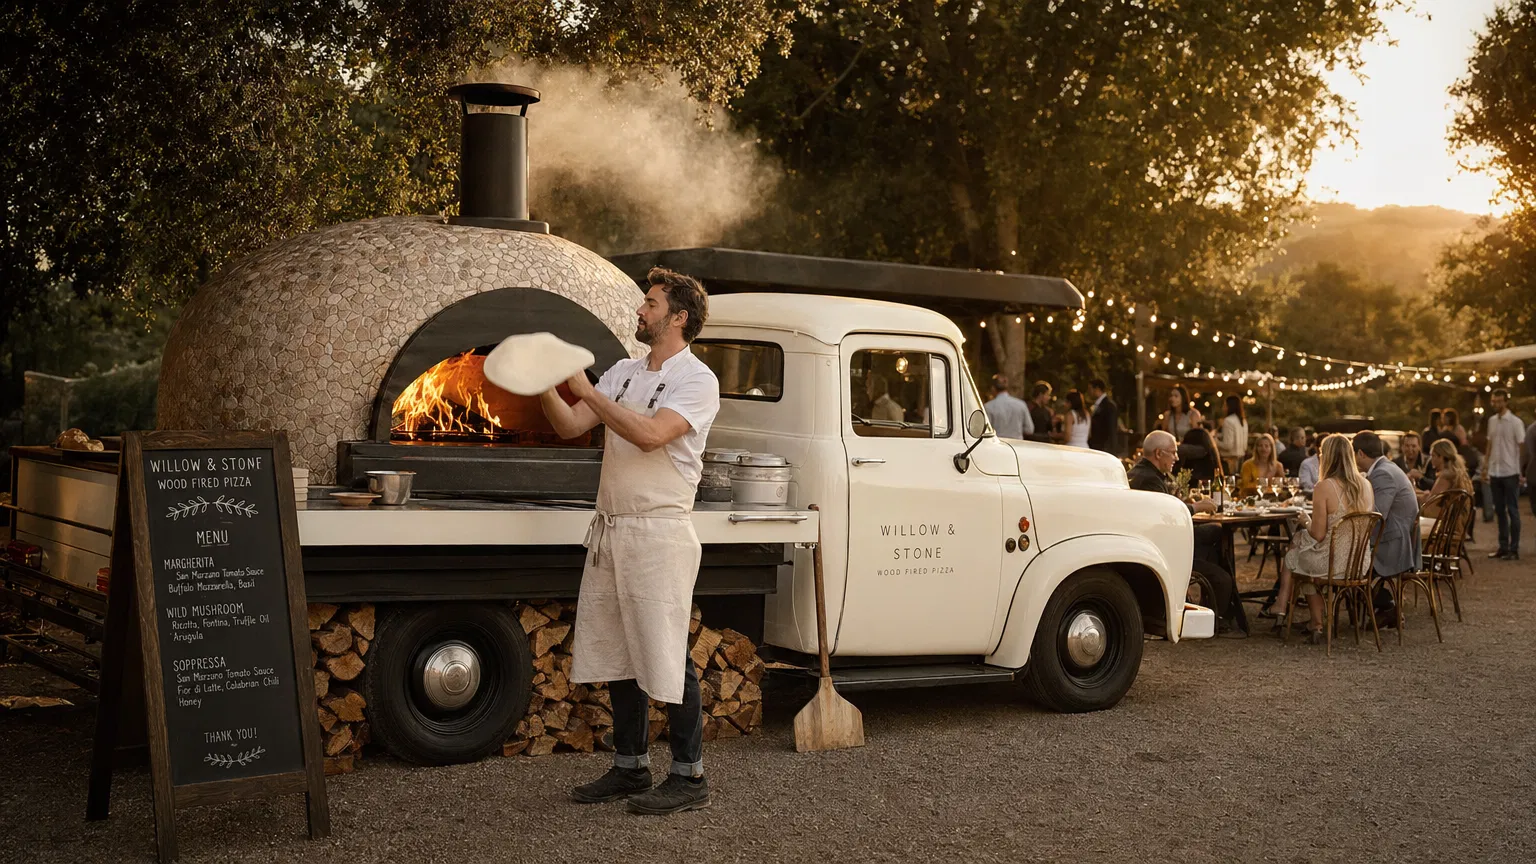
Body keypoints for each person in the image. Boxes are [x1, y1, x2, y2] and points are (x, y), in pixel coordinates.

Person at [538, 266, 720, 815]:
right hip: (613, 529)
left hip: (660, 531)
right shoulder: (622, 370)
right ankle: (630, 767)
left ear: (678, 317)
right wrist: (541, 382)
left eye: (650, 303)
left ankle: (690, 777)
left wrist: (587, 393)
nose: (640, 311)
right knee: (619, 652)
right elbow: (569, 426)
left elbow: (648, 436)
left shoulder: (697, 379)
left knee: (665, 651)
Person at [1127, 431, 1245, 634]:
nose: (1177, 458)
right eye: (1173, 453)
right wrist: (1197, 507)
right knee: (1220, 557)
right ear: (1158, 453)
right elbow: (1169, 517)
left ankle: (1215, 602)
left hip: (1154, 542)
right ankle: (1221, 603)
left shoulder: (1139, 472)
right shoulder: (1150, 480)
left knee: (1216, 533)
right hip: (1164, 549)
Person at [1274, 434, 1375, 644]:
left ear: (1327, 456)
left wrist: (1305, 520)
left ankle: (1307, 618)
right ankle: (1307, 618)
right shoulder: (1366, 484)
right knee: (1303, 549)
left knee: (1298, 551)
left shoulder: (1324, 487)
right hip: (1358, 563)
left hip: (1332, 563)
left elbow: (1318, 534)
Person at [1353, 431, 1421, 624]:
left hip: (1393, 544)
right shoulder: (1386, 467)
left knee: (1345, 562)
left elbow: (1375, 515)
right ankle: (1385, 607)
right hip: (1397, 537)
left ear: (1360, 453)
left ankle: (1388, 606)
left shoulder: (1383, 473)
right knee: (1347, 558)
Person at [1485, 389, 1526, 560]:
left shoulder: (1515, 422)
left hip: (1511, 471)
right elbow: (1489, 444)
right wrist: (1485, 467)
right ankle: (1503, 546)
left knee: (1513, 509)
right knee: (1499, 510)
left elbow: (1522, 446)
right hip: (1496, 471)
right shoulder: (1492, 421)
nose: (1496, 404)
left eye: (1499, 401)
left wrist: (1521, 470)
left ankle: (1514, 548)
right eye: (1494, 401)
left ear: (1506, 402)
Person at [1417, 438, 1474, 535]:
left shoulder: (1446, 477)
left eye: (1433, 456)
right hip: (1454, 526)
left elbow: (1428, 507)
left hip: (1445, 529)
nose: (1431, 459)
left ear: (1442, 457)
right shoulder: (1458, 474)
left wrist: (1415, 497)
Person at [984, 374, 1032, 439]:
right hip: (1017, 445)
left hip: (997, 444)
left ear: (993, 388)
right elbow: (1029, 429)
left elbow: (986, 431)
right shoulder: (1021, 404)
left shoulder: (988, 406)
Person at [1217, 396, 1248, 476]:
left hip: (1229, 461)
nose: (1223, 407)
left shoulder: (1228, 421)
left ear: (1229, 406)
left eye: (1224, 405)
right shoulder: (1243, 421)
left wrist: (1214, 441)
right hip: (1241, 460)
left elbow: (1228, 445)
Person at [1087, 378, 1119, 454]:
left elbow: (1111, 429)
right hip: (1096, 447)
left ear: (1097, 389)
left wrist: (1109, 450)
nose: (1088, 392)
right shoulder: (1097, 405)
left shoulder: (1109, 405)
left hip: (1104, 448)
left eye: (1090, 389)